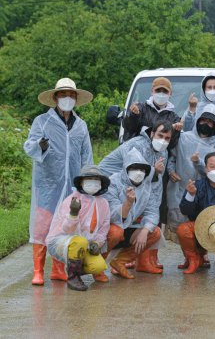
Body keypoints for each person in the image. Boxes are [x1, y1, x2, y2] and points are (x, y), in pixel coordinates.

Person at [24, 78, 93, 286]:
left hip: (71, 187)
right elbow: (29, 147)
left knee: (64, 228)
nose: (67, 98)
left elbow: (86, 157)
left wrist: (86, 183)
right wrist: (41, 145)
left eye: (71, 95)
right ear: (55, 98)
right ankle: (37, 270)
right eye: (63, 94)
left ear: (76, 98)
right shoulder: (42, 122)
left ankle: (57, 269)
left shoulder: (81, 126)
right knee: (42, 227)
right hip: (47, 185)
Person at [99, 120, 172, 273]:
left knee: (151, 229)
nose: (163, 141)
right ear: (151, 133)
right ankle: (97, 265)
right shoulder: (136, 145)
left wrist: (147, 226)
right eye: (160, 135)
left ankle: (126, 262)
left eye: (167, 138)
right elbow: (134, 168)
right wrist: (152, 170)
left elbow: (154, 185)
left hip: (137, 188)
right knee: (115, 230)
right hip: (112, 185)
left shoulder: (163, 151)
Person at [46, 165, 110, 291]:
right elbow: (67, 230)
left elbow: (104, 228)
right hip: (63, 241)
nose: (93, 182)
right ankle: (73, 278)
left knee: (98, 267)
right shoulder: (72, 200)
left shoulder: (103, 203)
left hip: (85, 244)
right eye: (89, 179)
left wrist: (97, 243)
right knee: (80, 241)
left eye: (96, 179)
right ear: (81, 182)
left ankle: (73, 267)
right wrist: (73, 214)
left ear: (101, 183)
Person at [102, 149, 162, 279]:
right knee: (116, 232)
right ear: (126, 168)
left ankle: (120, 262)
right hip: (110, 228)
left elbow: (152, 211)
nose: (139, 173)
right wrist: (128, 204)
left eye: (142, 169)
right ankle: (99, 267)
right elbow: (112, 215)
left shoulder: (146, 186)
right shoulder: (113, 182)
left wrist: (145, 231)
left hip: (130, 229)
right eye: (134, 168)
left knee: (154, 232)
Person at [122, 76, 182, 149]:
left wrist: (175, 130)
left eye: (165, 91)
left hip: (160, 157)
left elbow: (172, 145)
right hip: (137, 154)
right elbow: (128, 129)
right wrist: (134, 116)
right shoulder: (140, 108)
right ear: (152, 91)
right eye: (158, 90)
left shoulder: (174, 118)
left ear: (170, 93)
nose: (161, 94)